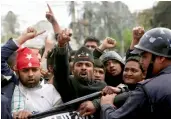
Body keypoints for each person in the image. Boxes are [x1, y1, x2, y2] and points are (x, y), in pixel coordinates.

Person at [100, 27, 171, 119]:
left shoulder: (147, 89)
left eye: (145, 56)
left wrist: (106, 105)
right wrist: (123, 90)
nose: (141, 61)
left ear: (161, 58)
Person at [1, 27, 63, 119]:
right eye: (25, 70)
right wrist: (21, 39)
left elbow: (61, 114)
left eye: (34, 69)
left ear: (40, 69)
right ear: (17, 71)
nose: (30, 74)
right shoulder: (12, 86)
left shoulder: (51, 90)